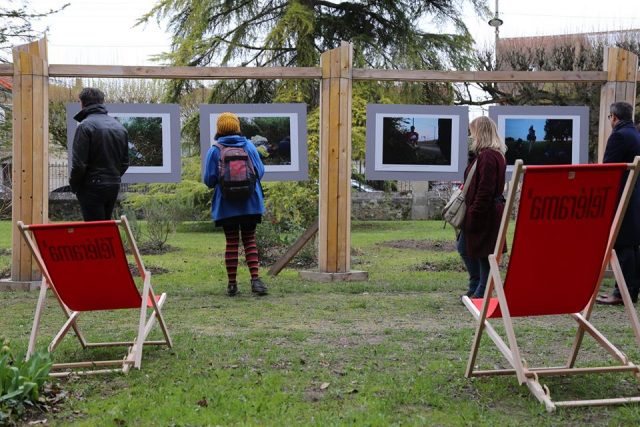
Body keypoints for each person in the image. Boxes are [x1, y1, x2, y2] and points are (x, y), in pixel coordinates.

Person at [203, 112, 268, 296]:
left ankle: (232, 285)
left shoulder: (215, 150)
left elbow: (209, 180)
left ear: (219, 129)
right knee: (250, 240)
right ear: (238, 127)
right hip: (251, 203)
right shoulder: (248, 146)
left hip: (226, 205)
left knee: (231, 242)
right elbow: (260, 172)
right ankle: (256, 281)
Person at [458, 116, 507, 299]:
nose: (471, 136)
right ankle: (476, 286)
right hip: (486, 210)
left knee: (484, 252)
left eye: (473, 131)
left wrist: (474, 213)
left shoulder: (488, 156)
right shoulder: (493, 155)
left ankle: (481, 291)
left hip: (484, 212)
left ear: (481, 132)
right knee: (467, 247)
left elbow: (485, 189)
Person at [596, 101, 640, 305]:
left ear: (614, 117)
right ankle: (629, 291)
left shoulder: (619, 136)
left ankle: (621, 293)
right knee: (632, 245)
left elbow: (608, 169)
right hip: (635, 196)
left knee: (623, 245)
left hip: (623, 197)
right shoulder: (636, 134)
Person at [69, 88, 129, 221]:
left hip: (91, 185)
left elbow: (79, 164)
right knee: (104, 228)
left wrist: (74, 185)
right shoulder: (120, 127)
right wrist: (113, 177)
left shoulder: (85, 126)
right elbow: (125, 163)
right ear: (102, 102)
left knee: (94, 231)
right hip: (113, 185)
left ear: (82, 103)